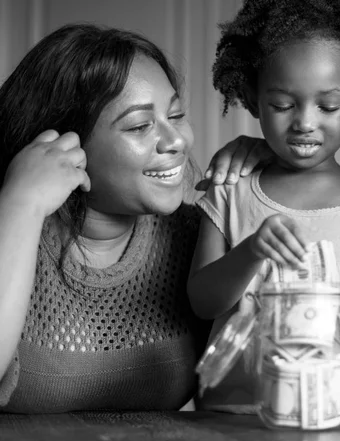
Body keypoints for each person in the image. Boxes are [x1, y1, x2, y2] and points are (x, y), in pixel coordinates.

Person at [187, 0, 340, 422]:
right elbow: (202, 301)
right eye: (282, 105)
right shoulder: (229, 193)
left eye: (328, 106)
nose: (304, 123)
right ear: (252, 98)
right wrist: (251, 252)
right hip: (233, 417)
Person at [0, 23, 218, 413]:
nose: (177, 141)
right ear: (64, 141)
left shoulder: (197, 235)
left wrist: (271, 176)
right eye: (139, 126)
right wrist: (21, 205)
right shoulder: (14, 219)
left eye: (176, 114)